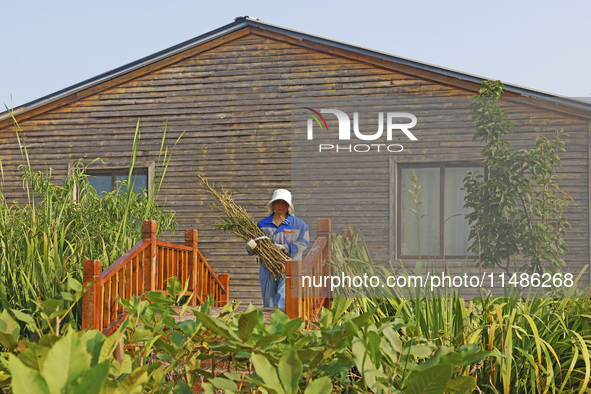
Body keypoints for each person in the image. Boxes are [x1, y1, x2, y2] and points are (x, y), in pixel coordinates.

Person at [245, 189, 309, 308]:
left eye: (284, 203)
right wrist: (250, 247)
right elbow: (256, 246)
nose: (281, 206)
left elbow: (303, 244)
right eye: (278, 202)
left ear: (289, 206)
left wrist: (285, 248)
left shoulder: (299, 225)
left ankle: (282, 324)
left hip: (288, 267)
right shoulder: (262, 224)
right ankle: (269, 324)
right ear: (273, 204)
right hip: (267, 266)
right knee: (268, 300)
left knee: (283, 300)